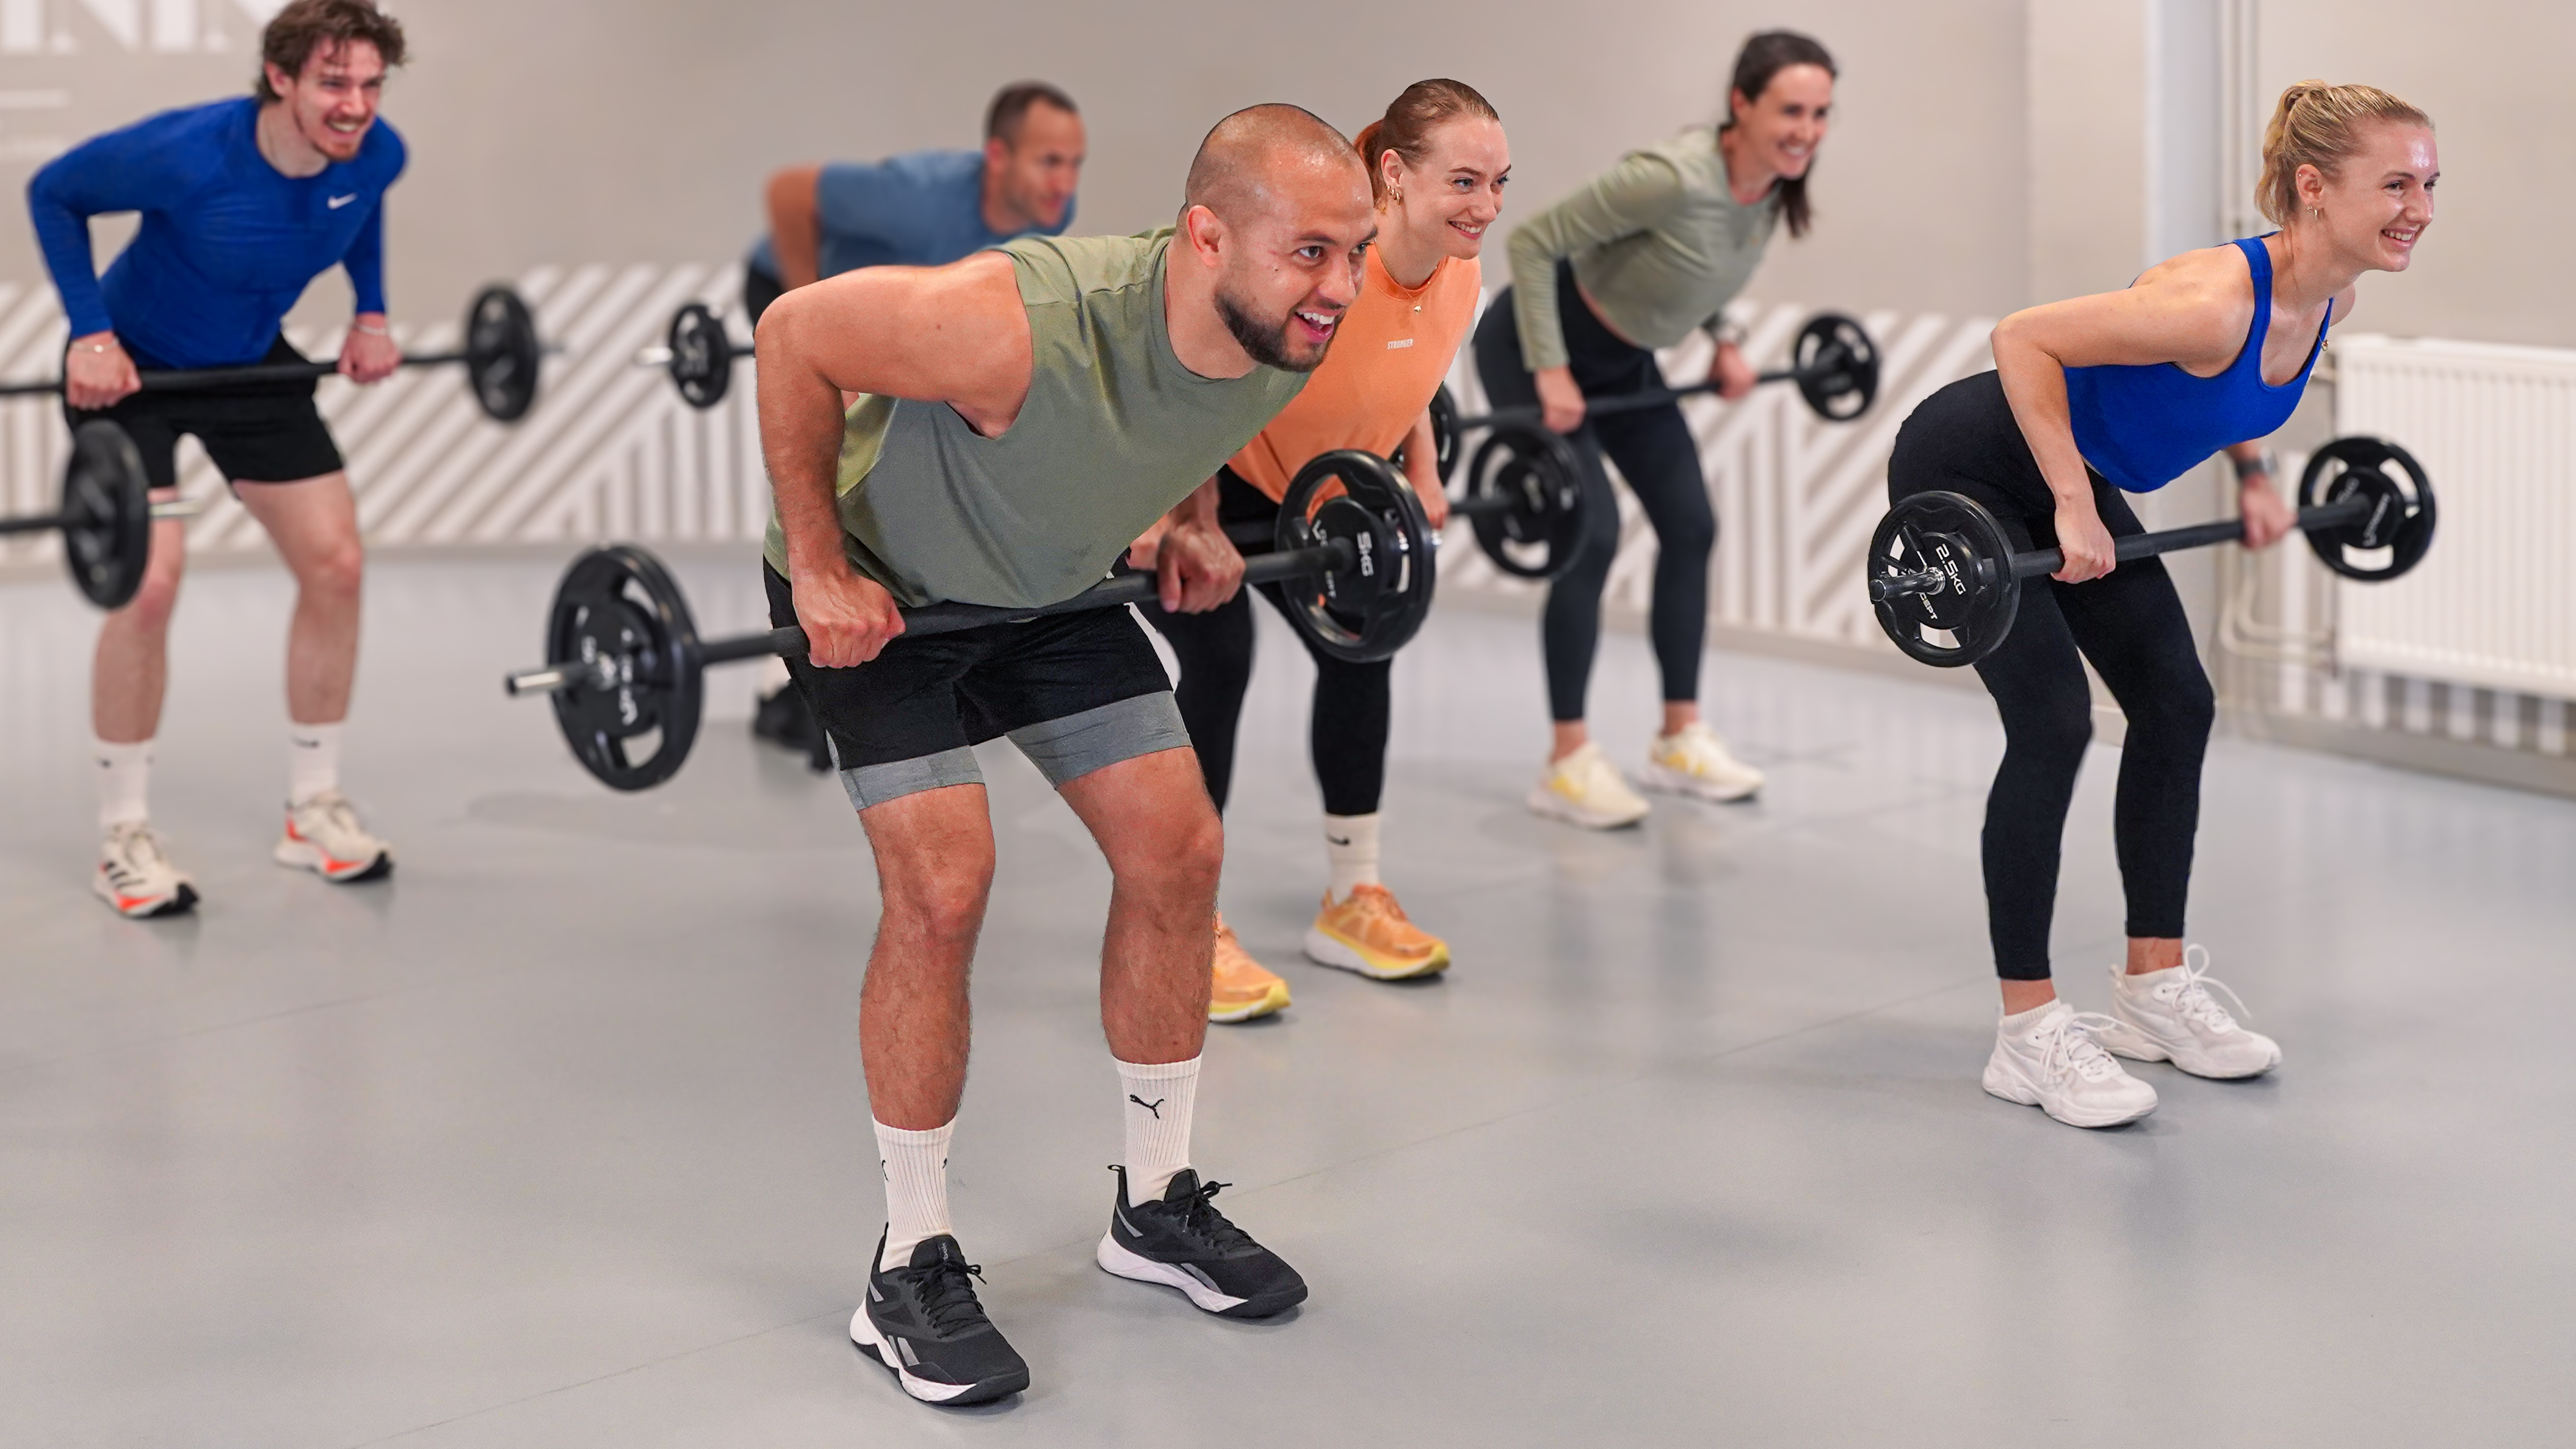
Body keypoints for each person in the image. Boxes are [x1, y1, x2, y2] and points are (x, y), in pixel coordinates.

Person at [755, 106, 1373, 1406]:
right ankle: (908, 1257)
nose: (1342, 286)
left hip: (1049, 595)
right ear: (1206, 236)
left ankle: (1153, 1204)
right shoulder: (1015, 321)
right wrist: (818, 565)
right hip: (889, 603)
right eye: (1314, 252)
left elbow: (1180, 425)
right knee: (945, 883)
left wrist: (1193, 520)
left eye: (1357, 252)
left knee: (1178, 847)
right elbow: (791, 335)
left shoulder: (1280, 330)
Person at [1887, 82, 2435, 1129]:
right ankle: (2029, 1030)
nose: (2418, 206)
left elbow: (2230, 390)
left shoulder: (2331, 296)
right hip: (1969, 463)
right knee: (2049, 723)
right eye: (2396, 183)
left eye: (2429, 184)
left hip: (2072, 476)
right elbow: (2022, 340)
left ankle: (2149, 992)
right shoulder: (2209, 298)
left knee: (2177, 702)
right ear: (2316, 189)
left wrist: (2258, 477)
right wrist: (2063, 502)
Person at [27, 0, 410, 917]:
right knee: (150, 585)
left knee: (337, 564)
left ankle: (312, 805)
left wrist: (370, 310)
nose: (356, 104)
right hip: (135, 372)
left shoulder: (379, 151)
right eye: (333, 83)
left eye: (368, 83)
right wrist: (88, 333)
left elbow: (361, 212)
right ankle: (123, 831)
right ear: (280, 79)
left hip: (247, 362)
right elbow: (52, 191)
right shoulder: (189, 151)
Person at [1134, 80, 1505, 1022]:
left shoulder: (1459, 271)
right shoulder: (1331, 264)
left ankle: (1352, 899)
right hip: (1229, 478)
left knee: (1363, 643)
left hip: (1329, 494)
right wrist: (1190, 517)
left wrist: (1421, 471)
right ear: (1394, 175)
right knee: (1221, 660)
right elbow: (1205, 370)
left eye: (1499, 182)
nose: (1487, 206)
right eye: (1464, 180)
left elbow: (1409, 372)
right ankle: (1185, 927)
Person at [1474, 30, 1836, 828]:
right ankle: (1566, 759)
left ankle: (1678, 738)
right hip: (1533, 349)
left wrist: (1727, 339)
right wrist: (1552, 369)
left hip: (1625, 362)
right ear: (1740, 104)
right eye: (1790, 110)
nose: (1807, 129)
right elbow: (1532, 243)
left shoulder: (1772, 187)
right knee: (1591, 536)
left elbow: (1698, 275)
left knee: (1690, 523)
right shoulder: (1669, 179)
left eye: (1819, 113)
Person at [742, 82, 1088, 765]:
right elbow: (789, 193)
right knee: (825, 478)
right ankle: (785, 686)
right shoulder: (918, 198)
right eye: (1049, 162)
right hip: (796, 295)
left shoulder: (1048, 214)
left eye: (1075, 163)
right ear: (997, 158)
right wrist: (805, 326)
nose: (1065, 183)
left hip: (902, 317)